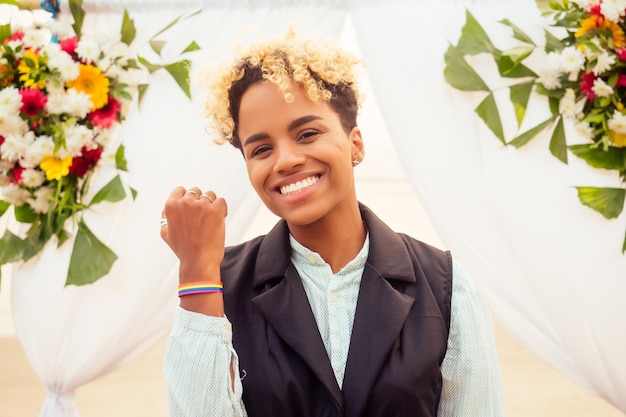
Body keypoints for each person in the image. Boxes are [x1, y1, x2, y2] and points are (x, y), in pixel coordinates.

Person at [160, 29, 506, 417]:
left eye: (307, 134)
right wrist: (196, 269)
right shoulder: (215, 285)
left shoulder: (447, 285)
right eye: (261, 149)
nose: (286, 160)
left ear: (355, 143)